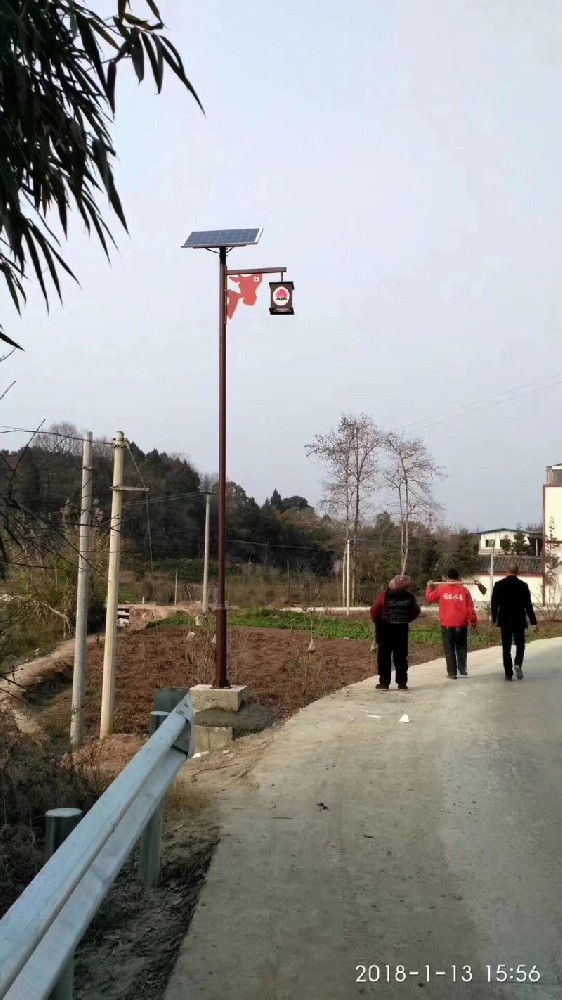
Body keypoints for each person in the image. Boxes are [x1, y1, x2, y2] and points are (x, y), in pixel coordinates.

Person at [370, 575, 421, 691]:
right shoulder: (410, 597)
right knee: (401, 656)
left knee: (384, 656)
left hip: (385, 628)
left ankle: (384, 683)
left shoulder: (384, 596)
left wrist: (378, 622)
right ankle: (402, 682)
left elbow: (374, 610)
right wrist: (407, 619)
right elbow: (416, 611)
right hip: (401, 629)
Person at [426, 569, 478, 678]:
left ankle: (452, 672)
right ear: (458, 577)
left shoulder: (441, 589)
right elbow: (470, 608)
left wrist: (429, 587)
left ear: (447, 577)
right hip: (461, 623)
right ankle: (462, 668)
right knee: (461, 646)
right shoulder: (464, 590)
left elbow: (430, 598)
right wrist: (473, 622)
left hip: (447, 624)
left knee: (449, 648)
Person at [491, 563, 538, 681]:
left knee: (506, 647)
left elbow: (494, 603)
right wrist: (533, 622)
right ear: (518, 572)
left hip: (505, 619)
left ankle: (508, 674)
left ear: (506, 571)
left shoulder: (499, 585)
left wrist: (494, 619)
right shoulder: (523, 585)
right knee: (520, 644)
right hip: (519, 619)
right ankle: (517, 663)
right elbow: (528, 605)